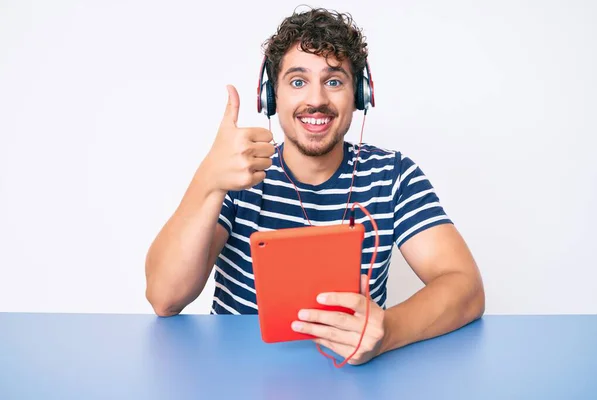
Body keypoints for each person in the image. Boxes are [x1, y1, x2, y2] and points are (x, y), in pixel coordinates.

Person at [144, 6, 485, 365]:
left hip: (352, 377)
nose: (317, 99)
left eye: (334, 81)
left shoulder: (392, 175)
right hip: (236, 371)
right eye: (297, 81)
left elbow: (466, 287)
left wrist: (388, 331)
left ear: (360, 96)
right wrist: (208, 181)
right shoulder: (236, 175)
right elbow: (165, 298)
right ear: (271, 97)